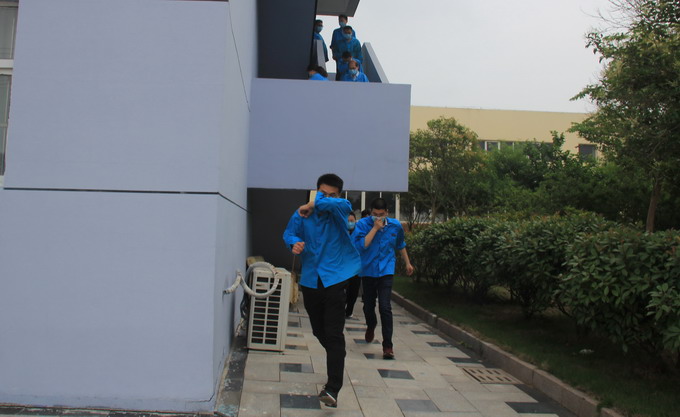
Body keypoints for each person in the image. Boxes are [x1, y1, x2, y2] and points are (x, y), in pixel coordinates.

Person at [282, 173, 361, 408]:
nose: (327, 198)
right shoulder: (302, 214)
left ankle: (332, 388)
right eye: (322, 193)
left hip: (335, 278)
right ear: (316, 191)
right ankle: (337, 355)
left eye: (332, 194)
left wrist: (313, 202)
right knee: (319, 331)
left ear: (339, 195)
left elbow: (340, 205)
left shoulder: (340, 209)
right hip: (310, 280)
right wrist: (294, 243)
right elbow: (289, 233)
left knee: (333, 333)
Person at [352, 198, 414, 360]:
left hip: (386, 270)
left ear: (387, 213)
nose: (378, 217)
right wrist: (375, 228)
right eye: (375, 214)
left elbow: (400, 244)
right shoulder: (362, 225)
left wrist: (408, 263)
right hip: (368, 271)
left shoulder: (395, 226)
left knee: (385, 307)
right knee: (368, 306)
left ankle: (388, 346)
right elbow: (361, 246)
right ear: (370, 212)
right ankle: (371, 324)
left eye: (381, 214)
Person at [345, 212, 361, 319]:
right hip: (344, 267)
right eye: (348, 221)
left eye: (352, 221)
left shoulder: (360, 233)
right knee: (343, 290)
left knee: (353, 291)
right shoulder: (341, 232)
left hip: (356, 268)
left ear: (355, 221)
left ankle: (349, 311)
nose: (350, 223)